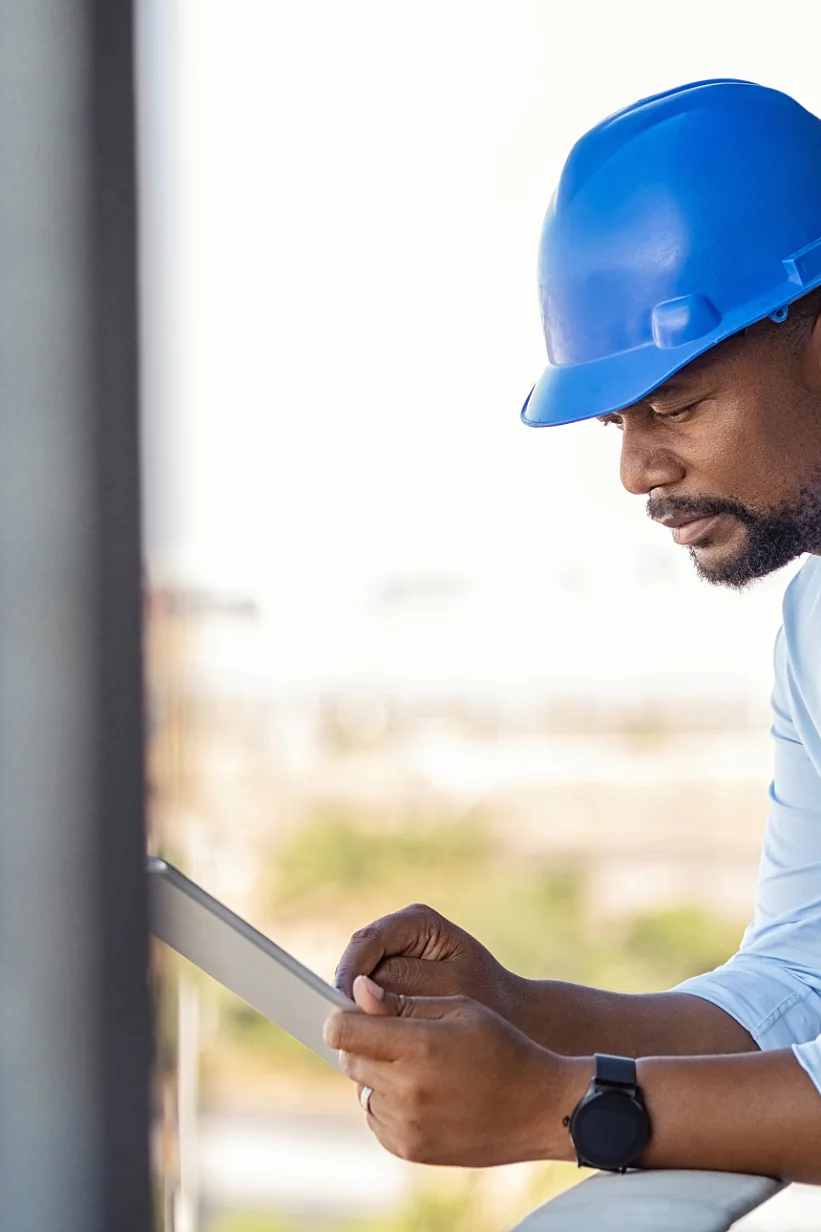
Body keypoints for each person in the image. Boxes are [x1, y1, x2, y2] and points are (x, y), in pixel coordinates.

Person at [324, 79, 821, 1181]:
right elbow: (802, 980)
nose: (636, 468)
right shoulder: (811, 620)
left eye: (676, 401)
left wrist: (571, 1107)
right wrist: (525, 1013)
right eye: (616, 417)